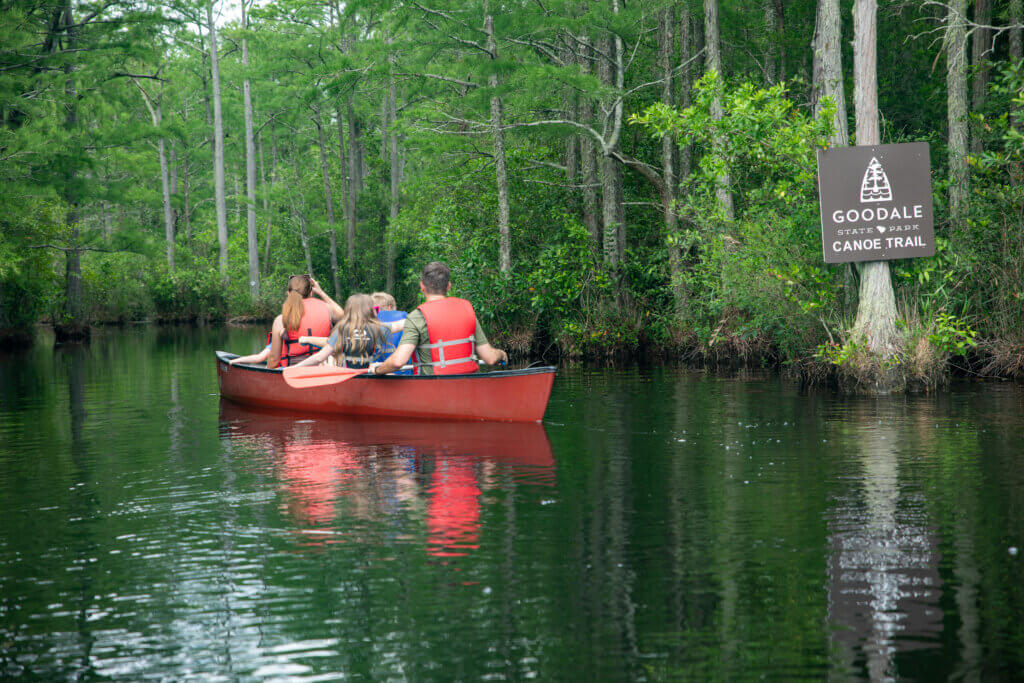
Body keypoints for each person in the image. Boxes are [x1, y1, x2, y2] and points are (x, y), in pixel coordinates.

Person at [369, 261, 507, 376]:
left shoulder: (416, 317)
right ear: (448, 286)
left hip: (431, 391)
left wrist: (376, 369)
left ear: (422, 286)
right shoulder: (467, 310)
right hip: (466, 386)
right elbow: (490, 358)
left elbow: (398, 362)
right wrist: (501, 354)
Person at [291, 293, 401, 369]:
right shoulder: (378, 328)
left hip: (348, 375)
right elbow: (402, 324)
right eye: (374, 309)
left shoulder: (342, 329)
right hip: (369, 374)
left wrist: (294, 368)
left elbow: (319, 357)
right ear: (368, 311)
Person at [266, 275, 344, 369]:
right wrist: (321, 292)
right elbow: (342, 316)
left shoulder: (281, 319)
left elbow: (274, 358)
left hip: (293, 371)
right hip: (324, 368)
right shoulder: (328, 309)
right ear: (311, 293)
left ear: (288, 293)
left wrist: (268, 373)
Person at [371, 291, 412, 375]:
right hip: (403, 375)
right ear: (389, 307)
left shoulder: (366, 321)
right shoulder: (405, 316)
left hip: (376, 375)